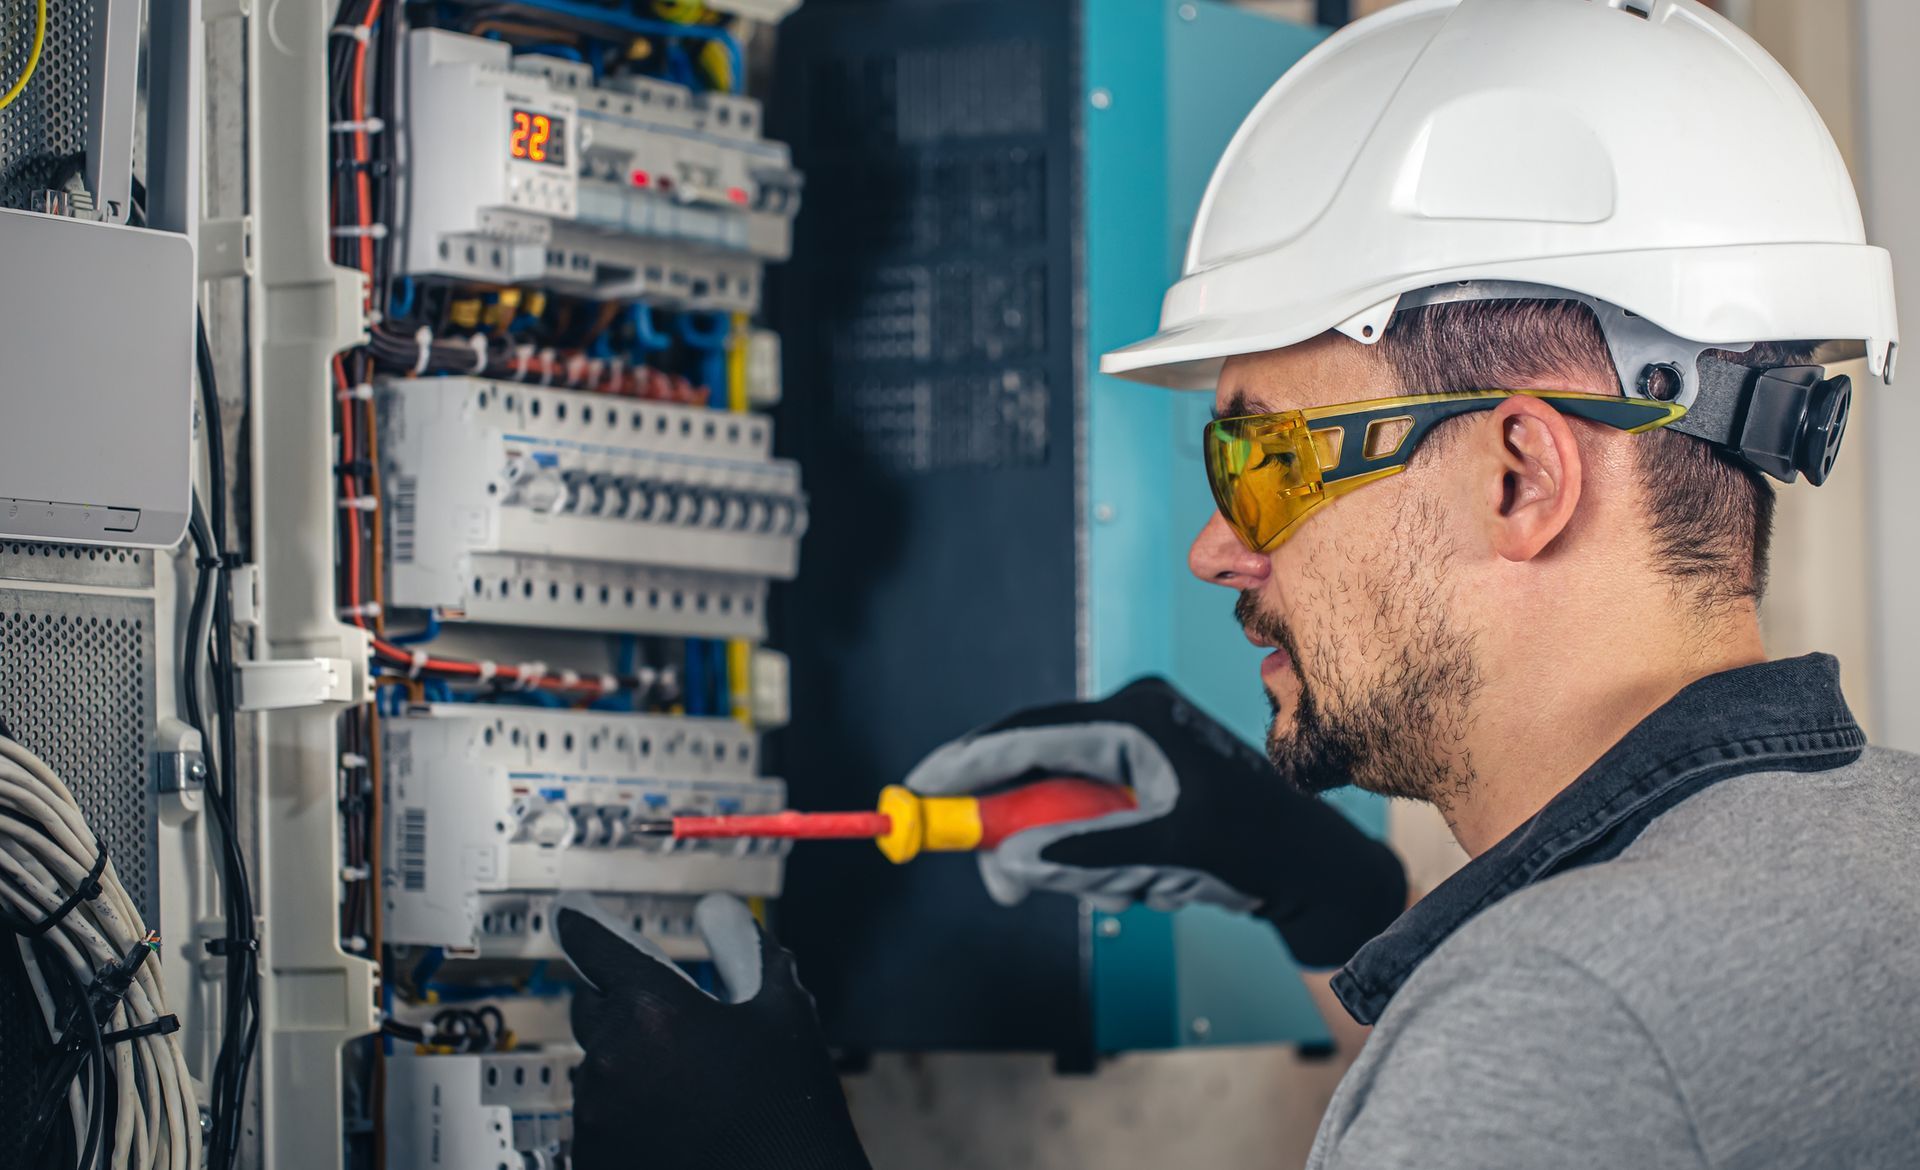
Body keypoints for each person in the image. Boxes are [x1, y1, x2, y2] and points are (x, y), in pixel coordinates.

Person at [554, 0, 1920, 1166]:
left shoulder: (1553, 1019)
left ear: (1521, 475)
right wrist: (1339, 905)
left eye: (1263, 457)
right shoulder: (1885, 845)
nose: (1218, 546)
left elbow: (1567, 1064)